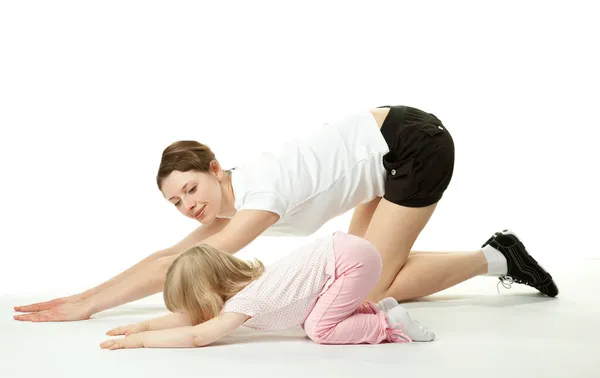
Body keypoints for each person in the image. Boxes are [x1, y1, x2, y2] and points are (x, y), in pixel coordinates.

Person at [14, 105, 558, 323]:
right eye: (177, 203)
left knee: (363, 290)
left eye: (190, 189)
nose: (188, 206)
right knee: (363, 268)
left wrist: (87, 307)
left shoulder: (259, 196)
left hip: (411, 146)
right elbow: (167, 255)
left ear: (214, 167)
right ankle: (499, 255)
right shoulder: (233, 203)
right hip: (382, 154)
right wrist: (85, 296)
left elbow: (177, 266)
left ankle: (497, 257)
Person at [100, 231, 435, 350]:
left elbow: (197, 336)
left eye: (190, 305)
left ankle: (388, 325)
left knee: (319, 329)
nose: (188, 316)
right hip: (347, 254)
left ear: (206, 294)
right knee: (315, 319)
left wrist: (139, 341)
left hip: (350, 261)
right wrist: (144, 325)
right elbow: (189, 321)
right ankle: (383, 309)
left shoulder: (246, 302)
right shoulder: (245, 290)